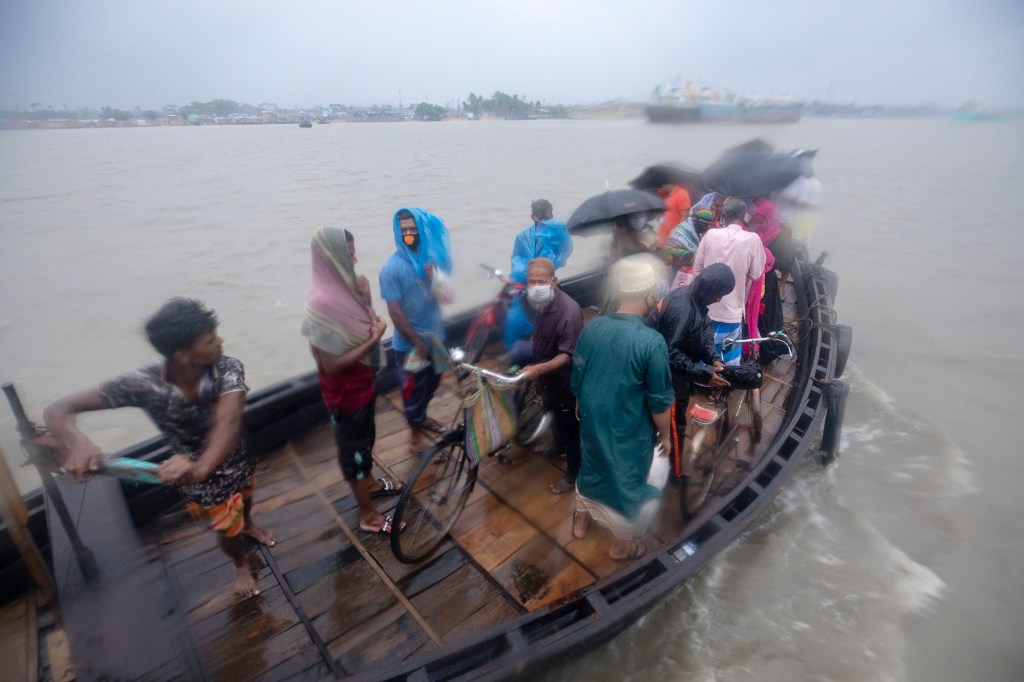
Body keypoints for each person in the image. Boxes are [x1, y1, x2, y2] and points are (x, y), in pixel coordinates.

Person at [43, 298, 273, 597]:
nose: (221, 341)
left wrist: (202, 466)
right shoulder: (143, 385)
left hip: (237, 458)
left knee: (246, 498)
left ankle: (250, 524)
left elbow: (228, 420)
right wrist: (76, 442)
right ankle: (240, 562)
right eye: (210, 339)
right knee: (226, 529)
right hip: (199, 480)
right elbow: (59, 408)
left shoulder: (228, 367)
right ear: (183, 355)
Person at [570, 256, 674, 560]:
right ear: (650, 297)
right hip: (626, 424)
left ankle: (581, 519)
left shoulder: (594, 327)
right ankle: (621, 544)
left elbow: (579, 371)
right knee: (626, 476)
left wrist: (579, 401)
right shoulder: (652, 342)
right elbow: (659, 400)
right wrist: (665, 436)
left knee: (591, 463)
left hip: (590, 413)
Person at [302, 227, 401, 535]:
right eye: (348, 252)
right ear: (330, 258)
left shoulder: (347, 288)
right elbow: (331, 367)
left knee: (366, 439)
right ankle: (368, 517)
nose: (355, 257)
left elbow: (364, 320)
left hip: (363, 387)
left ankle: (370, 484)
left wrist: (366, 297)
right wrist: (374, 340)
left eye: (354, 250)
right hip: (345, 397)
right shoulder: (321, 304)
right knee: (354, 456)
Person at [380, 207, 454, 453]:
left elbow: (447, 298)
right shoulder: (391, 268)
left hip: (436, 337)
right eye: (404, 230)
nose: (409, 234)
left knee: (434, 380)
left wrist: (434, 277)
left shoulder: (432, 261)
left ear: (421, 231)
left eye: (413, 229)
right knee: (413, 389)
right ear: (397, 232)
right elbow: (395, 313)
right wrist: (417, 343)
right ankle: (414, 437)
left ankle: (421, 418)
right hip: (409, 344)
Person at [653, 264, 735, 486]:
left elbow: (704, 328)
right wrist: (702, 373)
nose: (719, 300)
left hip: (681, 371)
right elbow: (668, 352)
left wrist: (713, 358)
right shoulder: (683, 308)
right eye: (719, 295)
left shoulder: (697, 299)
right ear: (710, 290)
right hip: (668, 378)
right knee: (675, 424)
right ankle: (675, 473)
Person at [515, 258, 584, 495]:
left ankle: (573, 474)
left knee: (572, 428)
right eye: (531, 282)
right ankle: (557, 446)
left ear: (554, 282)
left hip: (567, 382)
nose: (535, 286)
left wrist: (537, 369)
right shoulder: (539, 303)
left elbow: (567, 355)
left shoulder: (570, 312)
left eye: (541, 282)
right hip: (547, 379)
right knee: (550, 411)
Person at [693, 197, 766, 365]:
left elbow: (697, 269)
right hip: (732, 310)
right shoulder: (753, 239)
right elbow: (756, 273)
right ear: (744, 216)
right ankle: (720, 385)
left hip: (705, 307)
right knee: (727, 355)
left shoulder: (710, 235)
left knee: (702, 347)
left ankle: (701, 378)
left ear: (724, 215)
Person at [504, 199, 574, 365]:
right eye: (539, 217)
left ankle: (544, 350)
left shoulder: (557, 234)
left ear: (552, 216)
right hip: (528, 284)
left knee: (549, 318)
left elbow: (564, 253)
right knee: (520, 318)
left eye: (547, 217)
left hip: (547, 282)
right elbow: (518, 261)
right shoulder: (523, 237)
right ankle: (524, 352)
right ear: (532, 217)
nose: (543, 220)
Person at [651, 174, 692, 246]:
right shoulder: (667, 195)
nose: (659, 191)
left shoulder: (682, 194)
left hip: (673, 239)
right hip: (662, 237)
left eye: (660, 189)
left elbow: (685, 217)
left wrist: (677, 237)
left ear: (663, 186)